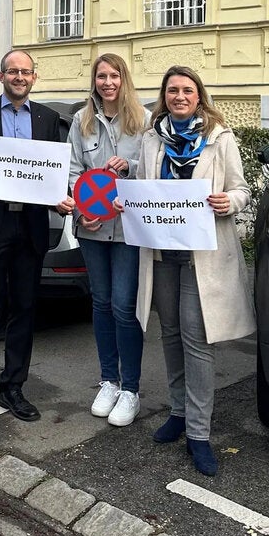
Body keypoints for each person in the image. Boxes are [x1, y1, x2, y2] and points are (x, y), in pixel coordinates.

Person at [135, 65, 254, 477]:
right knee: (169, 334)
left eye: (187, 90)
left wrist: (230, 203)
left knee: (198, 340)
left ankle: (199, 434)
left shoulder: (218, 137)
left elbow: (242, 188)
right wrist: (127, 205)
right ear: (164, 96)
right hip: (163, 253)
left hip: (203, 255)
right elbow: (141, 187)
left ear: (198, 95)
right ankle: (179, 412)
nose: (179, 96)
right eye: (172, 91)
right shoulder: (151, 139)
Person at [0, 49, 74, 441]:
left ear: (34, 78)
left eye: (25, 72)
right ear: (0, 75)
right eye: (12, 71)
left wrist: (60, 195)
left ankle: (13, 387)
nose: (19, 77)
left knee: (24, 310)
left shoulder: (48, 118)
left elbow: (50, 171)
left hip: (31, 227)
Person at [68, 53, 149, 427]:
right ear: (94, 82)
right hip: (93, 229)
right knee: (100, 304)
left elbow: (153, 172)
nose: (107, 82)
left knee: (123, 307)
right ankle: (109, 381)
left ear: (123, 79)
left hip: (130, 230)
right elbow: (72, 173)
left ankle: (130, 388)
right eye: (101, 76)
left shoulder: (145, 121)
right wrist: (80, 210)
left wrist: (129, 167)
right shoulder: (80, 122)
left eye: (114, 75)